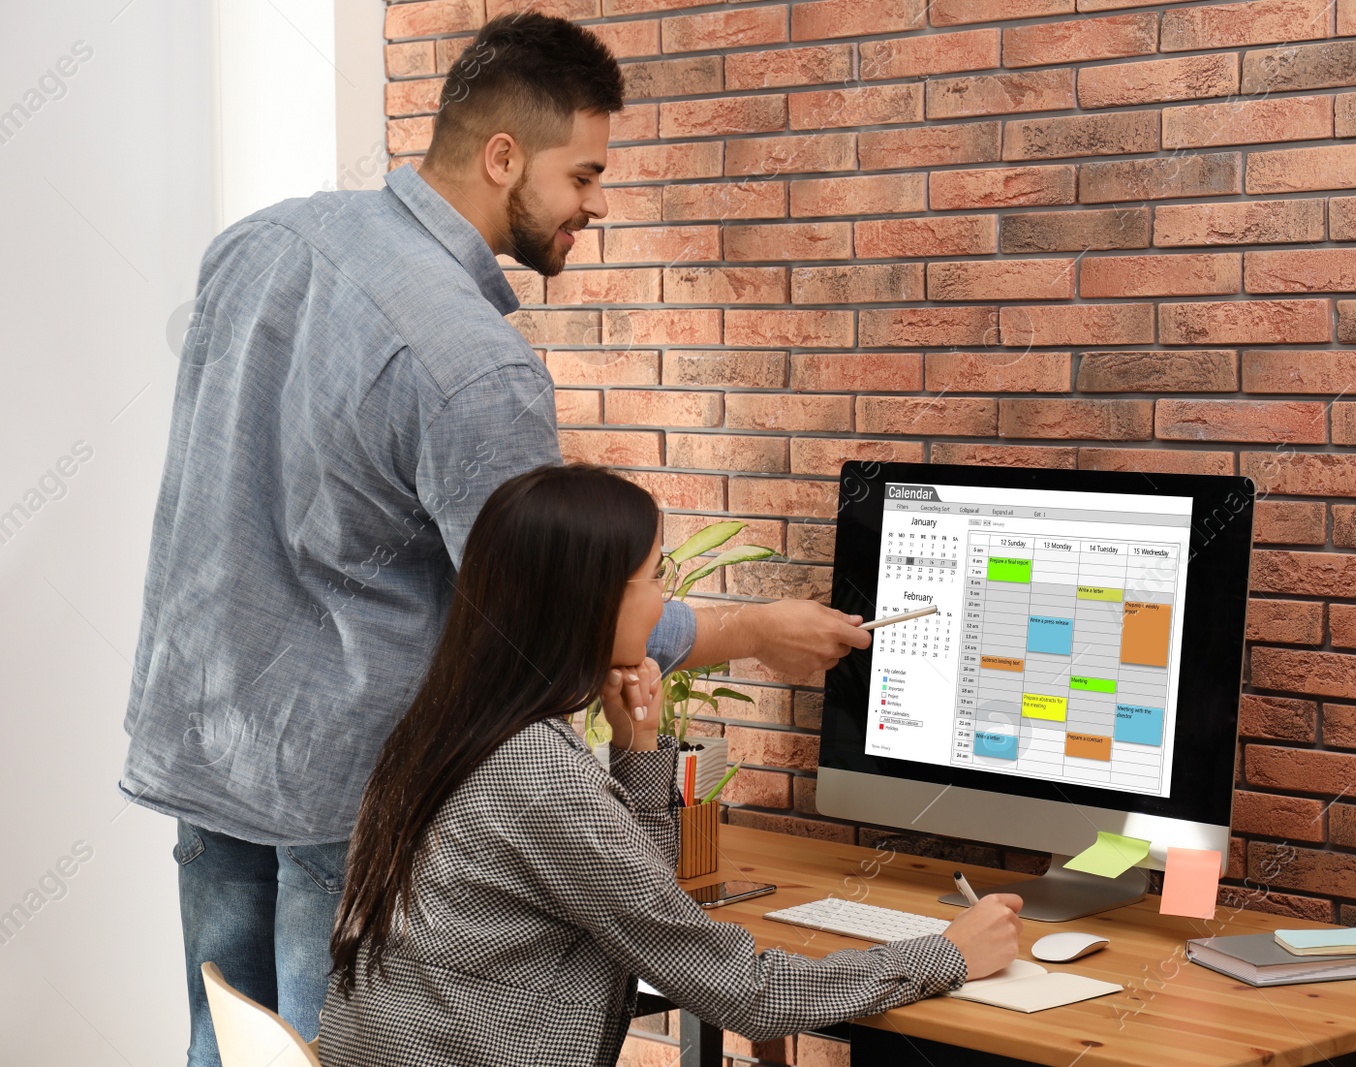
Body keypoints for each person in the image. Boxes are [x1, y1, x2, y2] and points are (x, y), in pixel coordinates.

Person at [119, 13, 869, 1065]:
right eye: (584, 174)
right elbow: (550, 616)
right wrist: (754, 630)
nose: (595, 205)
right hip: (348, 792)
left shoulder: (259, 241)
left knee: (238, 1044)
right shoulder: (474, 363)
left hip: (207, 743)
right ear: (502, 155)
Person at [316, 465, 1025, 1067]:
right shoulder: (537, 774)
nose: (665, 602)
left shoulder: (447, 724)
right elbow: (744, 992)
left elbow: (628, 901)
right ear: (593, 602)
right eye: (654, 576)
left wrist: (638, 750)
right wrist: (947, 953)